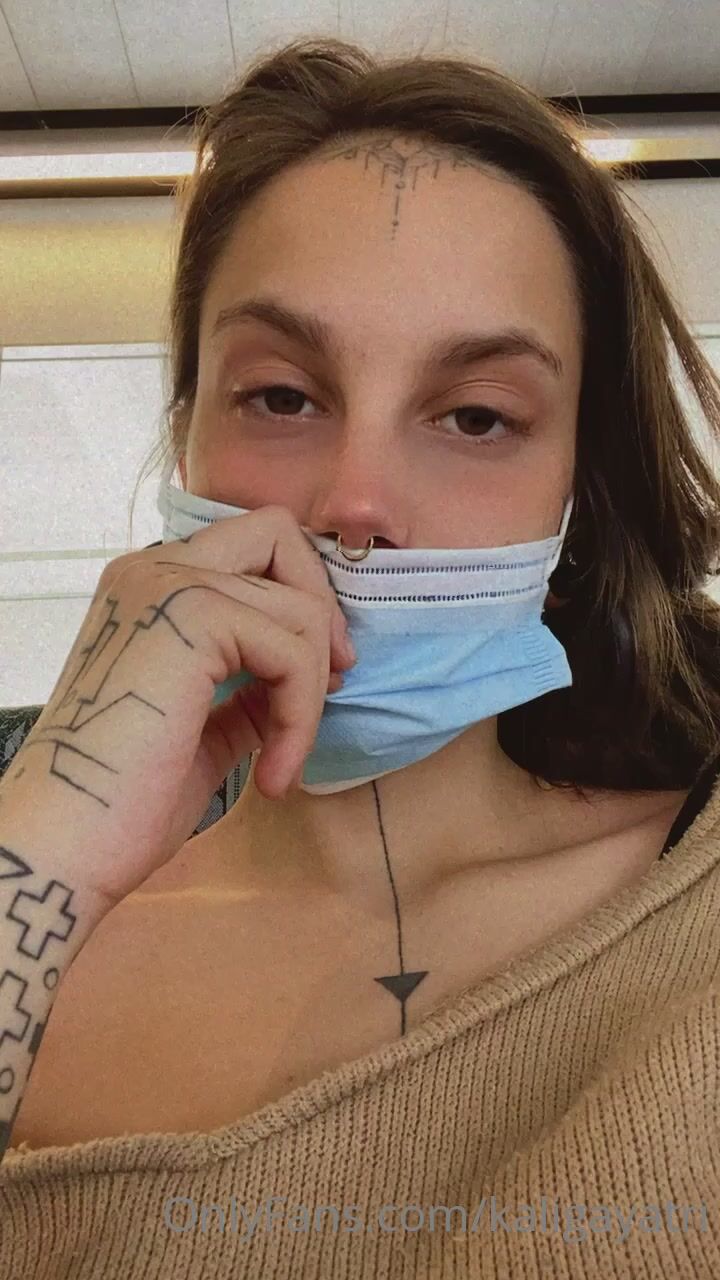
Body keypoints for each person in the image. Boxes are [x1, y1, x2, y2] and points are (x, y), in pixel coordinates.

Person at [0, 34, 719, 1280]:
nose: (356, 503)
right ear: (186, 435)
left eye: (478, 415)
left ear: (576, 500)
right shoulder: (38, 952)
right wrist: (44, 838)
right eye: (282, 396)